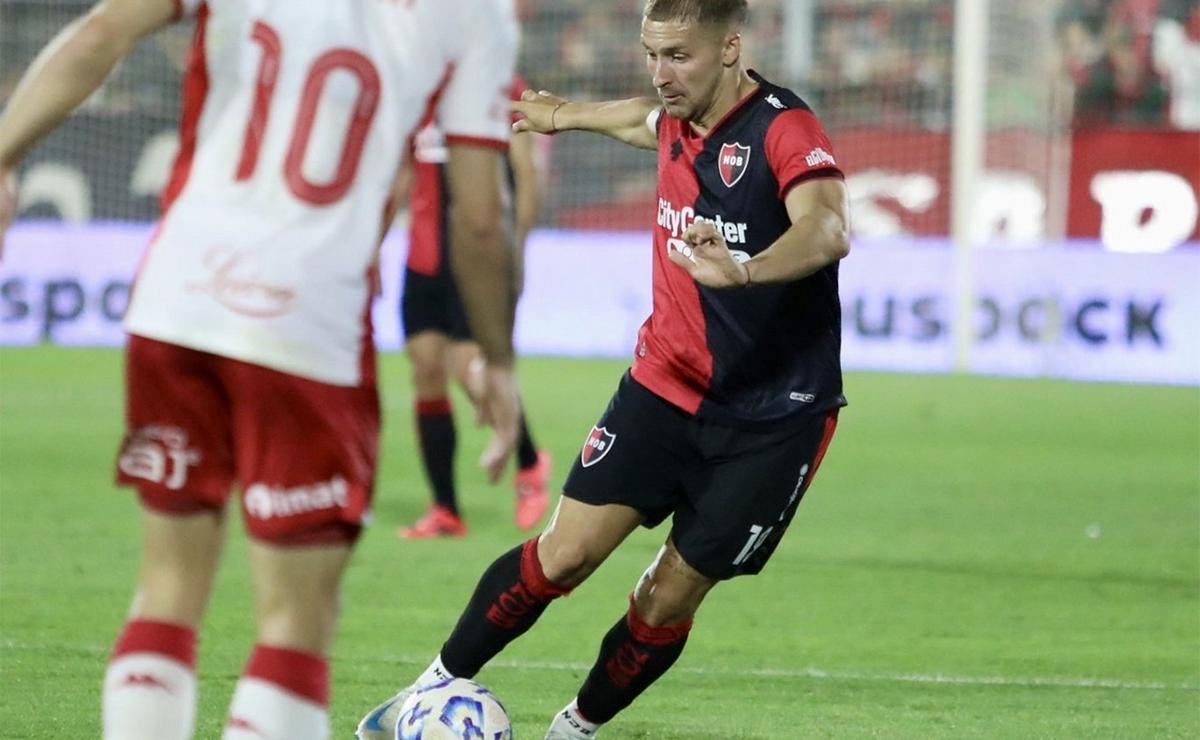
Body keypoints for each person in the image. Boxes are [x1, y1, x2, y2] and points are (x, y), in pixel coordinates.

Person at [0, 0, 522, 737]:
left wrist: (2, 156)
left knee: (166, 590)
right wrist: (498, 360)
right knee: (293, 622)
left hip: (178, 302)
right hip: (308, 324)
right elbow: (477, 215)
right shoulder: (475, 15)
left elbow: (100, 32)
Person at [356, 0, 851, 738]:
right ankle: (427, 691)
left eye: (678, 56)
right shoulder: (676, 117)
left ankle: (574, 729)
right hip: (663, 388)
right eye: (652, 54)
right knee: (562, 554)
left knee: (666, 598)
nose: (660, 73)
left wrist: (743, 271)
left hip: (774, 421)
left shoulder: (783, 127)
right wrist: (560, 114)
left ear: (730, 50)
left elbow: (827, 226)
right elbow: (636, 121)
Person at [398, 75, 552, 539]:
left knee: (469, 366)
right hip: (424, 257)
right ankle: (445, 509)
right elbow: (402, 172)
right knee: (425, 368)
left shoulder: (500, 83)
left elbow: (526, 174)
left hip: (478, 257)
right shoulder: (415, 83)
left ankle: (528, 460)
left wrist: (516, 248)